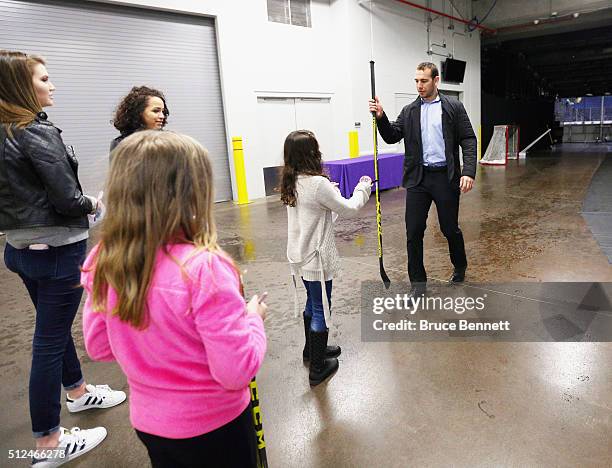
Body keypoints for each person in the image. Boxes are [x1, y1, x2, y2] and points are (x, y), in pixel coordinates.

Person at [81, 131, 268, 467]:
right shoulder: (205, 268)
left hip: (152, 426)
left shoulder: (104, 260)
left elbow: (100, 346)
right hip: (217, 427)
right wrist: (252, 319)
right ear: (193, 196)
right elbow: (236, 371)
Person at [0, 50, 125, 466]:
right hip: (57, 251)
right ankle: (49, 444)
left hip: (19, 249)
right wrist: (95, 203)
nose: (52, 86)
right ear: (22, 87)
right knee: (48, 343)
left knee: (50, 333)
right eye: (43, 79)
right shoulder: (36, 133)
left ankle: (77, 393)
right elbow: (68, 200)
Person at [368, 62, 477, 296]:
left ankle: (460, 265)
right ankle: (418, 285)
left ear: (436, 81)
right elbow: (392, 135)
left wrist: (468, 171)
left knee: (449, 229)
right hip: (418, 179)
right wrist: (381, 117)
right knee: (414, 231)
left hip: (445, 178)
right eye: (416, 81)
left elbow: (468, 138)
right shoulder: (410, 111)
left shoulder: (453, 107)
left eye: (424, 81)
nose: (419, 85)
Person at [281, 130, 372, 386]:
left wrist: (329, 194)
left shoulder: (293, 181)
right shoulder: (317, 185)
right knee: (321, 309)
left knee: (312, 304)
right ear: (312, 153)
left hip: (301, 256)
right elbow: (351, 208)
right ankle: (318, 369)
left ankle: (311, 352)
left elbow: (316, 216)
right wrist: (362, 188)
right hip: (316, 261)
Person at [109, 86, 169, 153]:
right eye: (155, 111)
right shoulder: (121, 145)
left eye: (163, 111)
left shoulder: (168, 141)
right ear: (138, 113)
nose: (162, 116)